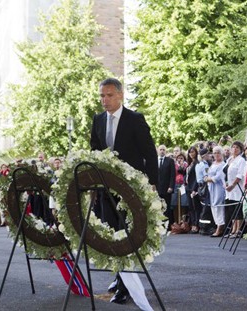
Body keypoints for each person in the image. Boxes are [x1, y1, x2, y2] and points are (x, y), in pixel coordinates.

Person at [90, 78, 158, 305]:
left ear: (120, 95)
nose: (104, 100)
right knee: (111, 234)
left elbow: (150, 153)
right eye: (101, 96)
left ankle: (123, 287)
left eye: (109, 95)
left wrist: (151, 184)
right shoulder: (98, 120)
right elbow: (95, 154)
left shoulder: (135, 120)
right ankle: (119, 277)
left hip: (131, 190)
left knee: (126, 235)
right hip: (106, 190)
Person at [223, 141, 246, 238]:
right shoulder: (230, 159)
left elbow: (240, 174)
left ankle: (238, 230)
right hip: (229, 189)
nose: (235, 149)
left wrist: (232, 185)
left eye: (237, 147)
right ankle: (233, 229)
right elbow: (225, 172)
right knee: (231, 209)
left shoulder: (241, 160)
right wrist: (226, 184)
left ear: (240, 149)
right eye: (233, 147)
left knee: (237, 209)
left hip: (237, 188)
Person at [205, 146, 226, 237]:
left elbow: (218, 177)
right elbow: (207, 174)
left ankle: (220, 226)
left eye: (218, 152)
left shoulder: (223, 164)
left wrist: (208, 179)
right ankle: (217, 224)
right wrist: (207, 178)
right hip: (211, 188)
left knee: (219, 205)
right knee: (213, 206)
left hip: (219, 187)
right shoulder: (213, 164)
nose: (216, 154)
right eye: (215, 153)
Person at [156, 145, 176, 229]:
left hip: (167, 188)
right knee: (157, 207)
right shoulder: (154, 160)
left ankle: (166, 225)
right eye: (160, 149)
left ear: (166, 151)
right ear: (158, 151)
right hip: (156, 188)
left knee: (166, 207)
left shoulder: (170, 161)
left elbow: (172, 175)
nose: (162, 151)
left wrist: (171, 186)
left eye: (163, 150)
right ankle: (158, 225)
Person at [185, 146, 200, 233]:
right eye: (190, 152)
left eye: (193, 152)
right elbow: (187, 176)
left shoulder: (197, 163)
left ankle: (196, 224)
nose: (191, 154)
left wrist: (194, 189)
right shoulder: (189, 163)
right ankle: (193, 224)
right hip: (187, 187)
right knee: (190, 207)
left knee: (196, 207)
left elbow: (196, 178)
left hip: (194, 188)